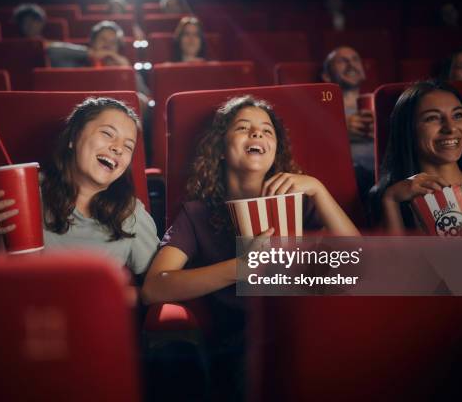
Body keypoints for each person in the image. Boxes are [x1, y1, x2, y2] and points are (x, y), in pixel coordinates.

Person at [141, 95, 359, 399]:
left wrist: (319, 190)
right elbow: (154, 287)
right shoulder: (196, 214)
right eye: (243, 128)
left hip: (313, 332)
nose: (257, 133)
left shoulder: (302, 203)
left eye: (267, 131)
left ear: (275, 152)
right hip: (244, 344)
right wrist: (242, 267)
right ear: (219, 150)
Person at [0, 97, 159, 287]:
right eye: (107, 133)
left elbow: (157, 288)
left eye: (128, 146)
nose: (118, 148)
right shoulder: (26, 194)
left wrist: (125, 297)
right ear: (73, 137)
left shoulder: (130, 214)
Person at [371, 80, 462, 233]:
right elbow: (394, 257)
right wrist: (391, 200)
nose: (451, 128)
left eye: (458, 115)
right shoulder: (393, 196)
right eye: (432, 118)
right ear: (408, 130)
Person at [322, 45, 375, 199]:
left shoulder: (381, 102)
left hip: (386, 171)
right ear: (326, 75)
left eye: (355, 60)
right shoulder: (320, 111)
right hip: (351, 177)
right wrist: (340, 131)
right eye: (342, 61)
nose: (351, 65)